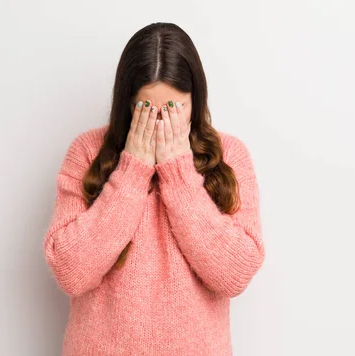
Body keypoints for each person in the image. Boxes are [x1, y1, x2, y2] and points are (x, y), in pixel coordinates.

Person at [43, 22, 265, 356]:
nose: (160, 124)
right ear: (126, 103)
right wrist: (132, 169)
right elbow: (71, 272)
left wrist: (179, 174)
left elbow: (235, 274)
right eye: (145, 110)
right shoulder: (87, 152)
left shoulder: (230, 156)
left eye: (174, 109)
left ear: (196, 100)